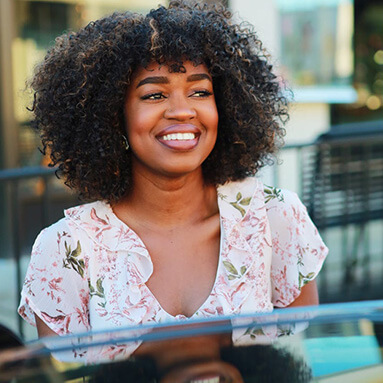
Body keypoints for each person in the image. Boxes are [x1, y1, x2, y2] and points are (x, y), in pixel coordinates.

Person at [18, 0, 328, 360]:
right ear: (111, 116)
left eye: (200, 91)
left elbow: (303, 361)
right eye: (154, 94)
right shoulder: (66, 249)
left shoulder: (274, 218)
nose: (183, 110)